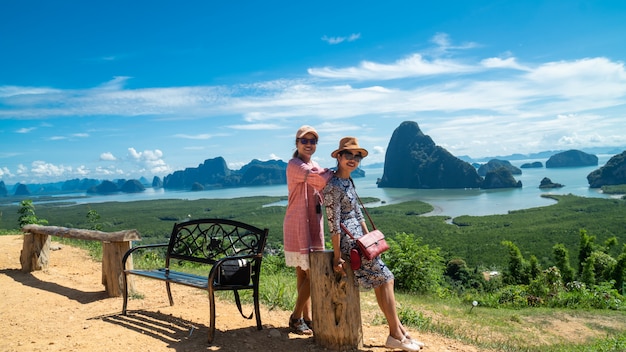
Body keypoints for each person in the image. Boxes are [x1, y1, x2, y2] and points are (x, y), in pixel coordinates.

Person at [323, 137, 425, 352]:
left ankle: (400, 332)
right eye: (348, 155)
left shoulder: (348, 181)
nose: (353, 159)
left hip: (360, 239)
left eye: (356, 156)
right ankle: (396, 334)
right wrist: (336, 256)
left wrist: (370, 239)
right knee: (387, 278)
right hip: (348, 242)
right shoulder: (332, 186)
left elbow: (358, 212)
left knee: (383, 280)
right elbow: (333, 222)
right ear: (339, 157)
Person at [283, 125, 333, 335]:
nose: (309, 145)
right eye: (305, 141)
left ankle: (307, 318)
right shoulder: (295, 164)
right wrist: (334, 171)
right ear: (297, 143)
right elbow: (321, 179)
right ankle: (296, 317)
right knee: (314, 274)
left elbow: (321, 180)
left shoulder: (314, 164)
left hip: (312, 222)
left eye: (313, 141)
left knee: (304, 275)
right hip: (298, 223)